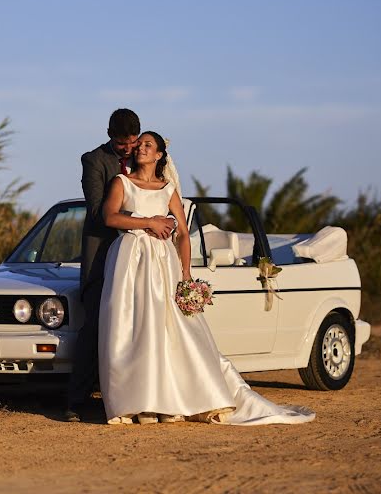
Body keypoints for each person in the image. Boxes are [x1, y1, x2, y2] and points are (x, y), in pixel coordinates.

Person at [97, 131, 315, 425]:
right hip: (131, 257)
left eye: (148, 145)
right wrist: (148, 222)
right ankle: (137, 402)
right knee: (135, 327)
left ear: (160, 155)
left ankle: (171, 400)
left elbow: (184, 233)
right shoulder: (122, 183)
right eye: (140, 144)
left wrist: (186, 274)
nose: (141, 149)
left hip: (163, 263)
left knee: (168, 329)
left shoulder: (168, 188)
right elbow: (110, 217)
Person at [65, 110, 175, 422]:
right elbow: (100, 213)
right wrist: (146, 223)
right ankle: (76, 400)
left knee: (145, 327)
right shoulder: (94, 160)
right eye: (122, 143)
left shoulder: (149, 162)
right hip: (104, 254)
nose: (129, 149)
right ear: (110, 135)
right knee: (97, 325)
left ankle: (142, 396)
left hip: (148, 263)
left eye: (133, 143)